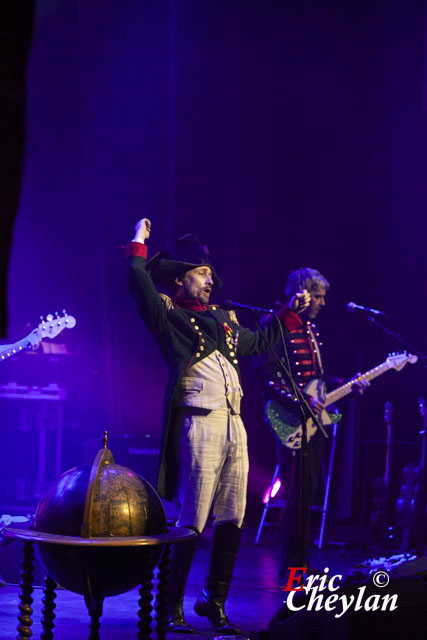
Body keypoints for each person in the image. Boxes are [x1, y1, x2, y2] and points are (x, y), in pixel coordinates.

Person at [125, 219, 310, 633]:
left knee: (232, 516)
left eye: (210, 274)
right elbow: (137, 281)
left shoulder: (225, 321)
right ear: (179, 279)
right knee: (192, 521)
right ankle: (170, 606)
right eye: (202, 273)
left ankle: (214, 601)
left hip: (234, 428)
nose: (210, 280)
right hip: (200, 424)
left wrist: (288, 315)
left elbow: (258, 342)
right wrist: (138, 242)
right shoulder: (169, 316)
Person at [255, 267, 367, 583]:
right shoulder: (274, 324)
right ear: (300, 295)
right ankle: (291, 570)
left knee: (311, 492)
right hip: (289, 417)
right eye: (317, 296)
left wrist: (346, 384)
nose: (322, 302)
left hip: (316, 420)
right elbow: (264, 376)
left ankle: (301, 565)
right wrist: (298, 402)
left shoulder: (311, 330)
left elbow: (315, 381)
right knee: (297, 493)